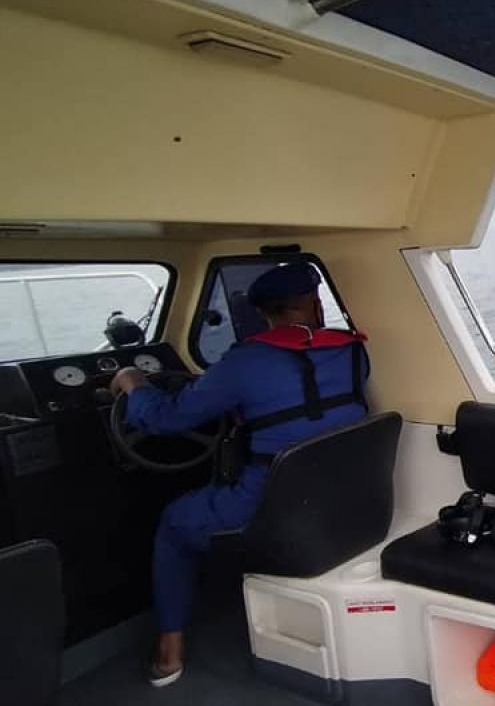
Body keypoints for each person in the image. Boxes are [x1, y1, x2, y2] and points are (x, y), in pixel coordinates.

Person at [109, 262, 370, 687]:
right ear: (315, 304)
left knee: (174, 524)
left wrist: (133, 381)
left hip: (271, 508)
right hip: (344, 499)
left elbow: (166, 419)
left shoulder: (243, 362)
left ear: (263, 313)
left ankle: (169, 650)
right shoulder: (353, 351)